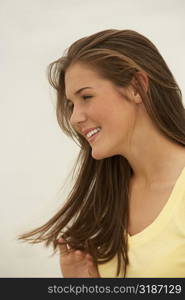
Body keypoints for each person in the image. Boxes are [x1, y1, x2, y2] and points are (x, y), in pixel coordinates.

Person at [18, 29, 185, 278]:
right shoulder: (107, 198)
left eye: (86, 96)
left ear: (137, 87)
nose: (75, 118)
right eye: (71, 105)